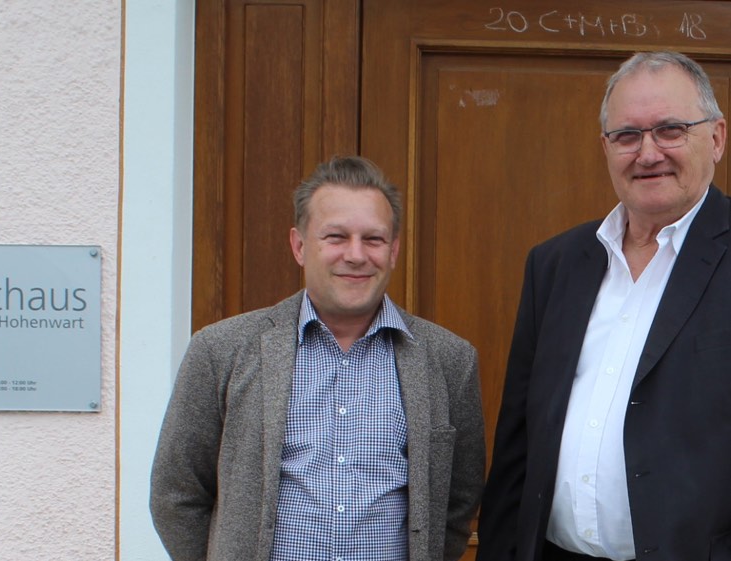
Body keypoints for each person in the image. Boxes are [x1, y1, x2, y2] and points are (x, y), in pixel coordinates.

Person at [151, 155, 485, 561]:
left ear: (394, 250)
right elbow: (176, 494)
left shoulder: (449, 360)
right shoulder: (221, 350)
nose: (356, 255)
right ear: (299, 246)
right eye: (336, 237)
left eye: (373, 239)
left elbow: (459, 501)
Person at [476, 51, 728, 561]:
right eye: (627, 135)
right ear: (606, 147)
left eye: (670, 130)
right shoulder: (555, 264)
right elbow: (518, 445)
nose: (648, 153)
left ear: (717, 138)